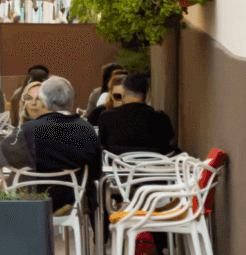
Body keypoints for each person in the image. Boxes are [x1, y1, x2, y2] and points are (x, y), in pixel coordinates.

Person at [18, 76, 103, 212]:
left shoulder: (28, 130)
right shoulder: (86, 129)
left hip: (36, 199)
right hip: (76, 198)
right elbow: (96, 172)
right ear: (71, 100)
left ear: (44, 102)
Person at [97, 73, 175, 154]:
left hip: (116, 162)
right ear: (148, 94)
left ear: (123, 93)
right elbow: (168, 143)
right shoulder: (161, 118)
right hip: (156, 161)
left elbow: (101, 144)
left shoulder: (107, 117)